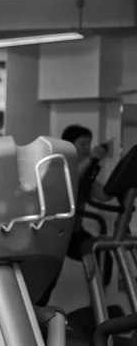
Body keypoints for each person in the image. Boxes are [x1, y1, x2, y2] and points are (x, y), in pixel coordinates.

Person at [36, 124, 113, 306]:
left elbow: (104, 195)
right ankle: (36, 318)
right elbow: (70, 178)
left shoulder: (87, 171)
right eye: (82, 144)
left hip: (75, 233)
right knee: (47, 280)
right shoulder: (58, 165)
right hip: (55, 233)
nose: (87, 148)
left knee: (103, 256)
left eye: (89, 144)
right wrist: (93, 158)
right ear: (70, 145)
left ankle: (98, 307)